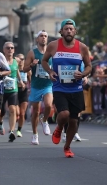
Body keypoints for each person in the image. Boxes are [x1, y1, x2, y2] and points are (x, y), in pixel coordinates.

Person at [41, 19, 92, 158]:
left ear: (75, 31)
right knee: (64, 114)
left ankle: (67, 146)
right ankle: (58, 128)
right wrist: (50, 71)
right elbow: (43, 61)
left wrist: (83, 74)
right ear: (61, 31)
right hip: (59, 87)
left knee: (74, 121)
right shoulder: (53, 46)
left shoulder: (82, 47)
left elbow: (89, 66)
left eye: (71, 29)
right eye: (66, 28)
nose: (69, 31)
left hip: (76, 89)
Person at [22, 30, 53, 145]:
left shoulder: (51, 53)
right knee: (35, 111)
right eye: (41, 36)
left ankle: (44, 120)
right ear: (37, 39)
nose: (43, 38)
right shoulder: (32, 53)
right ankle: (35, 134)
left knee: (49, 105)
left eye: (45, 36)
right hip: (36, 85)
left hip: (47, 84)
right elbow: (24, 69)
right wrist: (31, 65)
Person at [0, 42, 23, 142]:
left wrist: (20, 80)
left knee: (12, 109)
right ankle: (0, 122)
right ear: (4, 50)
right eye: (8, 48)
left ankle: (12, 131)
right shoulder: (0, 60)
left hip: (13, 89)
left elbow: (17, 71)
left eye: (12, 48)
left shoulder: (16, 60)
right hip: (2, 89)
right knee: (2, 111)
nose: (10, 50)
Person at [16, 53, 30, 138]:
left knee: (22, 113)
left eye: (22, 59)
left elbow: (31, 81)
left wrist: (30, 89)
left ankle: (19, 130)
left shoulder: (27, 70)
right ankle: (13, 123)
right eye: (19, 59)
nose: (21, 61)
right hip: (15, 91)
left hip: (24, 91)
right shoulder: (14, 68)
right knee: (16, 112)